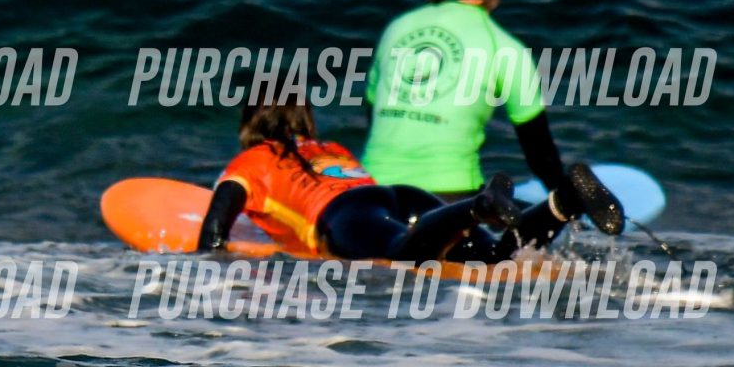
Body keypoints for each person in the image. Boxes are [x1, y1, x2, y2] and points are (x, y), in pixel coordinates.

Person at [362, 0, 623, 247]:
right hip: (447, 196)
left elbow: (373, 113)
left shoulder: (397, 29)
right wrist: (570, 215)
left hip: (371, 191)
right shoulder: (503, 47)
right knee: (508, 241)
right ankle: (565, 203)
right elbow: (539, 153)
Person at [198, 91, 518, 263]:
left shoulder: (251, 160)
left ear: (249, 121)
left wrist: (205, 265)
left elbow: (215, 227)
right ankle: (547, 211)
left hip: (345, 215)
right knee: (497, 255)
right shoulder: (329, 147)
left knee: (403, 255)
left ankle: (478, 206)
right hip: (396, 197)